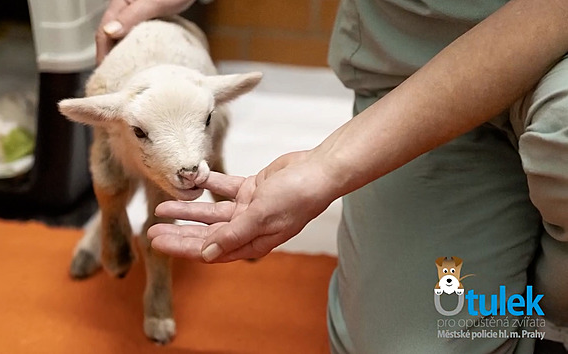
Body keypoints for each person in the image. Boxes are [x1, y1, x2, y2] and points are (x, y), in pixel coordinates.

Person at [98, 0, 568, 352]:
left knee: (562, 136)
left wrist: (330, 165)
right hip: (410, 60)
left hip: (555, 57)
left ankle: (550, 314)